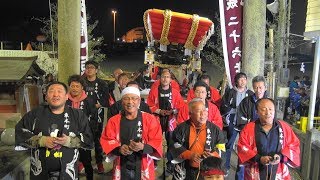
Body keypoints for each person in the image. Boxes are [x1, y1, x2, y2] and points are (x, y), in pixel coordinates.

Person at [15, 82, 93, 180]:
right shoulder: (35, 114)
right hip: (40, 172)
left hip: (68, 173)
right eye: (51, 91)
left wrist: (69, 141)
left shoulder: (78, 115)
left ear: (66, 96)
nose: (55, 94)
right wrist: (41, 141)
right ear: (46, 97)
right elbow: (19, 132)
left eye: (59, 91)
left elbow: (88, 138)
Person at [100, 86, 163, 179]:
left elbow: (157, 140)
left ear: (139, 101)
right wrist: (119, 149)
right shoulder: (114, 121)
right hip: (121, 163)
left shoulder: (150, 119)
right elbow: (107, 139)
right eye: (126, 98)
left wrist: (143, 147)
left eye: (134, 98)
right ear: (122, 102)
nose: (130, 102)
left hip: (143, 163)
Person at [237, 98, 300, 179]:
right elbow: (242, 148)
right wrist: (259, 159)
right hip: (255, 172)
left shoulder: (284, 127)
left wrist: (280, 157)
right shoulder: (248, 128)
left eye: (270, 109)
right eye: (263, 109)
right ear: (257, 112)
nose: (268, 113)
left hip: (279, 172)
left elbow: (294, 146)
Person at [170, 98, 226, 180]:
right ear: (190, 114)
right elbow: (174, 144)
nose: (203, 113)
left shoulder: (215, 129)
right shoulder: (181, 128)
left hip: (207, 171)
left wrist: (213, 154)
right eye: (198, 111)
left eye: (204, 110)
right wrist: (189, 155)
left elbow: (222, 147)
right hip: (186, 169)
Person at [147, 69, 185, 176]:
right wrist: (160, 111)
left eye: (167, 77)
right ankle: (154, 161)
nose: (165, 79)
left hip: (171, 121)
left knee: (171, 143)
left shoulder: (175, 93)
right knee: (155, 141)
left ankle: (169, 166)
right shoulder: (154, 91)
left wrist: (173, 111)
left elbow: (180, 106)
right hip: (157, 120)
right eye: (163, 77)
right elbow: (149, 105)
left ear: (170, 80)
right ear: (160, 78)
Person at [220, 72, 253, 174]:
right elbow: (224, 105)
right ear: (236, 81)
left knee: (246, 146)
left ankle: (247, 168)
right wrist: (231, 112)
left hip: (246, 123)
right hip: (233, 122)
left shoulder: (250, 94)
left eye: (244, 79)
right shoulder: (230, 92)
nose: (243, 81)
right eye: (240, 79)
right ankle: (226, 167)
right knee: (229, 144)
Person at [66, 75, 96, 179]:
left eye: (77, 86)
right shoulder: (65, 100)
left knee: (86, 161)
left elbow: (94, 118)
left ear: (82, 87)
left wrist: (91, 134)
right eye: (72, 86)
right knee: (69, 160)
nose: (74, 88)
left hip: (83, 135)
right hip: (68, 135)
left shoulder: (89, 100)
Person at [83, 60, 110, 173]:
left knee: (97, 140)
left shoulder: (102, 83)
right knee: (84, 139)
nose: (89, 69)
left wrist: (98, 105)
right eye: (87, 67)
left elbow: (105, 99)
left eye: (92, 67)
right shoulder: (82, 82)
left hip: (97, 115)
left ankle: (99, 163)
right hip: (83, 115)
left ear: (96, 70)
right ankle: (84, 163)